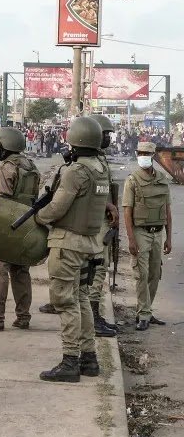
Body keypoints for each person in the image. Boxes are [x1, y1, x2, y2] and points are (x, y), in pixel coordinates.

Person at [35, 117, 114, 382]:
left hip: (67, 244)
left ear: (76, 142)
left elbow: (57, 208)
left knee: (65, 302)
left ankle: (70, 361)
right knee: (81, 300)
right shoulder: (100, 167)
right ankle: (89, 358)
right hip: (89, 244)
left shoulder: (76, 171)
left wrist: (38, 217)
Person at [0, 128, 39, 331]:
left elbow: (0, 203)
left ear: (7, 147)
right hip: (25, 225)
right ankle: (23, 317)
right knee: (21, 271)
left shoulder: (7, 168)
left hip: (6, 227)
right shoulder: (31, 166)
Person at [123, 141, 172, 331]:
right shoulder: (132, 180)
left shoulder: (162, 179)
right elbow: (127, 212)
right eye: (140, 152)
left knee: (154, 274)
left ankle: (147, 310)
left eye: (146, 153)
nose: (143, 155)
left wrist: (169, 238)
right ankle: (143, 313)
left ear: (153, 155)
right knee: (141, 275)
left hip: (157, 233)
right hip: (140, 232)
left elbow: (167, 210)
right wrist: (131, 239)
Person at [85, 114, 119, 337]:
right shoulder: (89, 162)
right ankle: (92, 318)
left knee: (101, 269)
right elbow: (92, 190)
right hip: (96, 223)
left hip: (103, 221)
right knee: (96, 270)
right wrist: (108, 204)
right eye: (104, 134)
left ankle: (95, 315)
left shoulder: (100, 159)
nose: (107, 138)